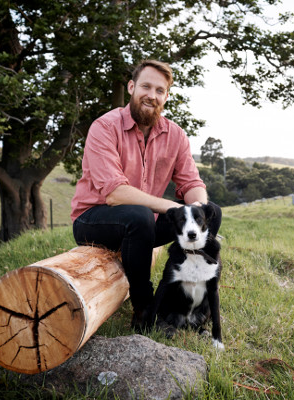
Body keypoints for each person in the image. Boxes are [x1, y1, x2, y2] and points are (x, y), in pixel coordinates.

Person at [70, 59, 221, 330]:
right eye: (146, 87)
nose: (152, 95)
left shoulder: (175, 135)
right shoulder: (104, 127)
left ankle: (189, 298)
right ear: (131, 87)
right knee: (140, 216)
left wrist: (197, 206)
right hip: (94, 219)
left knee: (212, 211)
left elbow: (191, 183)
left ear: (166, 96)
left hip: (144, 223)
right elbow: (115, 193)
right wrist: (171, 209)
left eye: (159, 90)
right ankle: (143, 306)